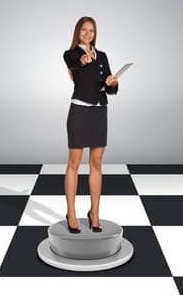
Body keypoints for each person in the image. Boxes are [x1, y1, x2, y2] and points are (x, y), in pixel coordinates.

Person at [63, 16, 118, 233]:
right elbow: (74, 63)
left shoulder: (102, 56)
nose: (88, 34)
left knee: (96, 163)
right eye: (84, 30)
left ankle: (94, 213)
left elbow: (111, 90)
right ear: (78, 32)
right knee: (74, 164)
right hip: (79, 111)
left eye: (91, 31)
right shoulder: (71, 54)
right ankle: (71, 212)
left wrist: (112, 83)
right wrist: (83, 61)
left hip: (99, 112)